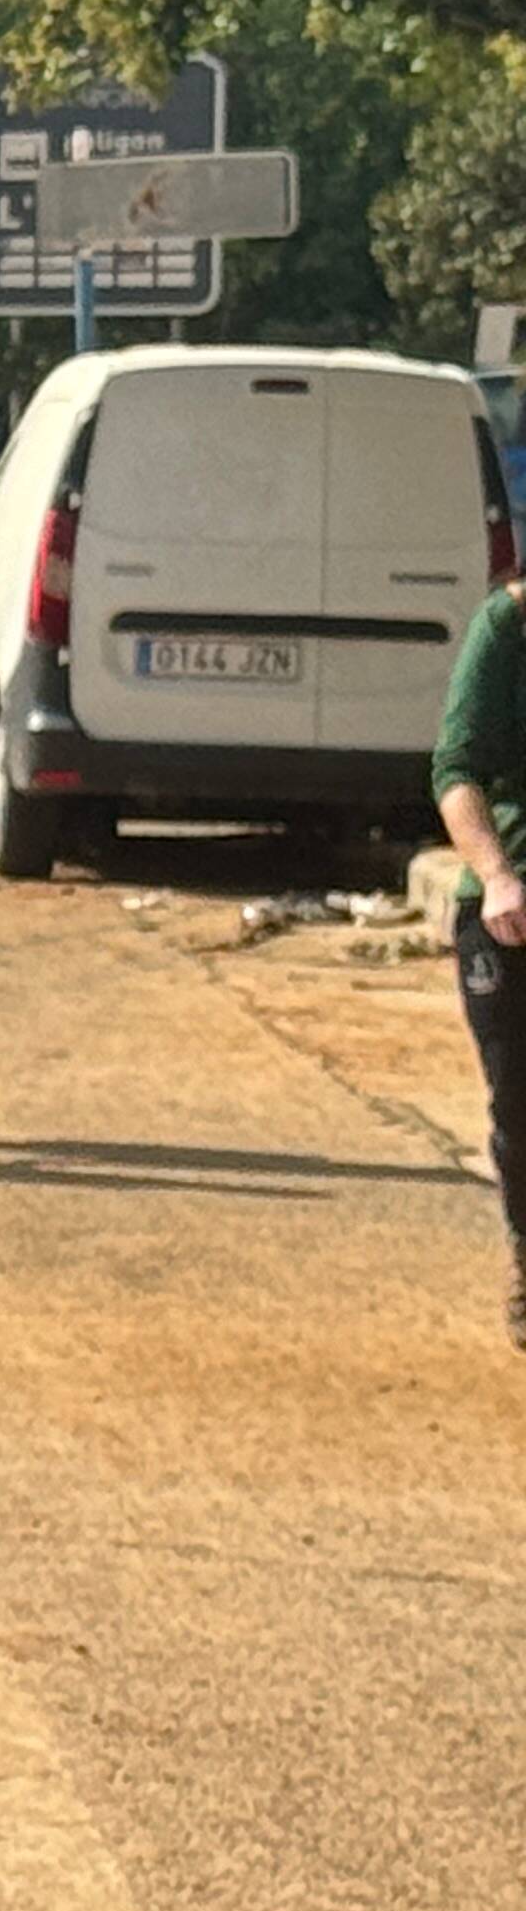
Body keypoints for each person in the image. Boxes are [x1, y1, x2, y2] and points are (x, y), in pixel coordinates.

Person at [432, 570, 526, 1347]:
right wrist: (496, 876)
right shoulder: (507, 629)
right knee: (518, 1101)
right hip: (510, 911)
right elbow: (455, 771)